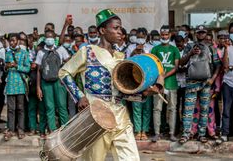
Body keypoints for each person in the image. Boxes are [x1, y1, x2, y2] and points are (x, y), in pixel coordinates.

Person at [59, 9, 163, 161]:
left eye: (120, 28)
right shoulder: (87, 52)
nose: (120, 32)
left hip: (121, 117)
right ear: (102, 30)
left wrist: (145, 93)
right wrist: (79, 97)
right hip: (96, 117)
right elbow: (64, 73)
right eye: (116, 28)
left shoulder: (121, 57)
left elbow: (123, 91)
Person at [179, 25, 221, 144]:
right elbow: (181, 63)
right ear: (196, 34)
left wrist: (213, 79)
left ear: (206, 33)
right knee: (188, 109)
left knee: (204, 109)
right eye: (199, 32)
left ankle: (201, 134)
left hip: (206, 83)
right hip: (191, 82)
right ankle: (186, 134)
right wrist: (191, 53)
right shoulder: (189, 46)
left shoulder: (211, 48)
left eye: (203, 32)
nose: (201, 34)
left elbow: (218, 65)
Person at [36, 30, 70, 136]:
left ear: (55, 38)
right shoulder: (41, 52)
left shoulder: (61, 49)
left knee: (62, 106)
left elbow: (69, 63)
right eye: (47, 37)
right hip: (46, 83)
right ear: (44, 39)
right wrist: (38, 87)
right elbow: (38, 70)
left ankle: (66, 130)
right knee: (49, 107)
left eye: (51, 37)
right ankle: (52, 131)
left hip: (59, 82)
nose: (49, 39)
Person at [151, 25, 180, 142]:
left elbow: (176, 67)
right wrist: (159, 79)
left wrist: (164, 76)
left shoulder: (174, 49)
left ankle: (172, 133)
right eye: (162, 34)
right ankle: (157, 133)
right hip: (158, 84)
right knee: (157, 109)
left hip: (171, 83)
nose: (164, 36)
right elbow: (153, 66)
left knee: (172, 109)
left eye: (166, 34)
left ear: (170, 35)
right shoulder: (155, 49)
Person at [126, 27, 153, 140]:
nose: (140, 39)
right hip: (135, 80)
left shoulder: (151, 48)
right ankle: (137, 131)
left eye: (142, 37)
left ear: (146, 37)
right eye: (138, 37)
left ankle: (144, 130)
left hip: (148, 80)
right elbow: (126, 62)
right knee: (136, 106)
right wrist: (135, 51)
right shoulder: (130, 47)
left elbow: (153, 63)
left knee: (147, 107)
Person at [4, 34, 30, 141]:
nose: (11, 43)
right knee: (11, 109)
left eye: (13, 41)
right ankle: (10, 129)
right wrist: (7, 66)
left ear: (18, 41)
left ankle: (21, 129)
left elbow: (27, 68)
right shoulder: (8, 53)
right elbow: (5, 68)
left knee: (20, 109)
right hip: (10, 84)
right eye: (10, 41)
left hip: (20, 84)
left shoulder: (24, 53)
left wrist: (16, 66)